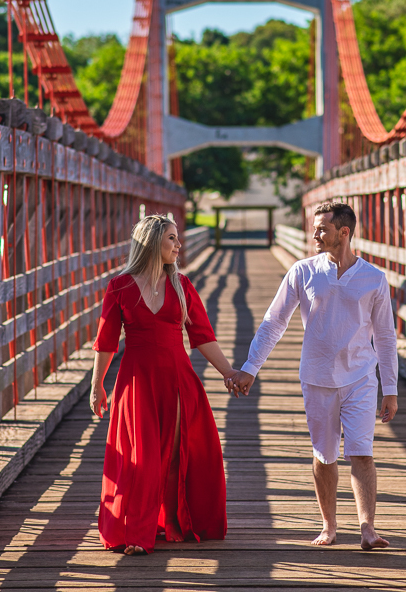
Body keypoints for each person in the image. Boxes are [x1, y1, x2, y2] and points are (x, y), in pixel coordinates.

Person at [230, 201, 398, 550]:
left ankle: (368, 528)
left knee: (362, 452)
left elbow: (384, 336)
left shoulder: (373, 279)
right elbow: (274, 322)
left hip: (360, 378)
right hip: (317, 377)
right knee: (324, 455)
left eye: (321, 228)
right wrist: (250, 368)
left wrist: (391, 389)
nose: (314, 234)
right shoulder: (303, 271)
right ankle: (329, 526)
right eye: (314, 227)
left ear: (344, 232)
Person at [90, 214, 238, 555]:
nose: (178, 245)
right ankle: (138, 534)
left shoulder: (182, 286)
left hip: (177, 379)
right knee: (142, 457)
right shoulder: (120, 286)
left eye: (177, 238)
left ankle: (170, 521)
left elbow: (202, 336)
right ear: (153, 242)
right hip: (136, 382)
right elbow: (106, 341)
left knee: (175, 454)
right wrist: (98, 385)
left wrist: (228, 373)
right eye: (172, 238)